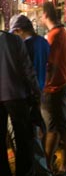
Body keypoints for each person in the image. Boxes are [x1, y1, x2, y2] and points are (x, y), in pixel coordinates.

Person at [9, 14, 51, 175]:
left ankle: (35, 168)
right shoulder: (44, 42)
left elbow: (24, 71)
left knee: (27, 134)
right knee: (39, 127)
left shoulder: (24, 46)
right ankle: (44, 163)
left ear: (19, 30)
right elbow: (48, 66)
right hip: (40, 89)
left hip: (26, 93)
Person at [41, 2, 66, 175]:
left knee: (53, 128)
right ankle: (62, 165)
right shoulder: (65, 35)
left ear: (45, 15)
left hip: (54, 88)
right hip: (63, 84)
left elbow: (50, 65)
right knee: (61, 126)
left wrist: (42, 84)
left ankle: (49, 165)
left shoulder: (54, 36)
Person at [0, 28, 41, 176]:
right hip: (16, 95)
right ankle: (24, 172)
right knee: (23, 138)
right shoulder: (14, 40)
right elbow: (27, 69)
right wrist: (37, 91)